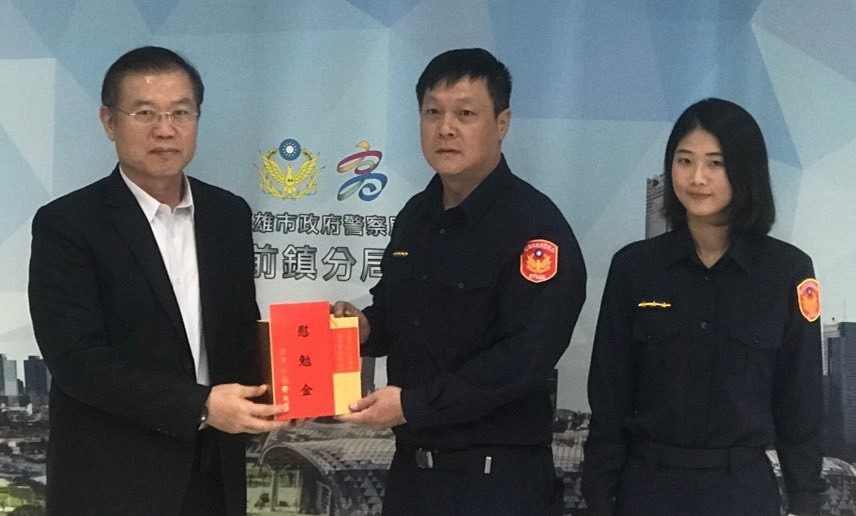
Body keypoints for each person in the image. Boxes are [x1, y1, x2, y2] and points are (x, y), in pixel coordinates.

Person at [28, 46, 287, 516]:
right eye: (145, 113)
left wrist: (294, 381)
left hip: (213, 472)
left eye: (181, 113)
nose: (165, 130)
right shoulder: (68, 224)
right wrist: (201, 406)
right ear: (109, 121)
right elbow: (77, 361)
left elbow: (236, 334)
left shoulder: (228, 214)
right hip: (113, 480)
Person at [331, 48, 586, 515]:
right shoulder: (415, 217)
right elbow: (396, 315)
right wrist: (362, 328)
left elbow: (523, 359)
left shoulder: (536, 229)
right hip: (412, 477)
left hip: (496, 485)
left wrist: (414, 405)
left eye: (465, 114)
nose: (445, 128)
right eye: (432, 112)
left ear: (502, 123)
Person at [582, 98, 825, 515]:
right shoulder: (635, 267)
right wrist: (600, 497)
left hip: (742, 491)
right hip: (648, 488)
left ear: (746, 171)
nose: (697, 178)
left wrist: (806, 500)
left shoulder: (787, 271)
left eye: (716, 163)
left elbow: (800, 402)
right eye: (684, 160)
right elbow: (609, 395)